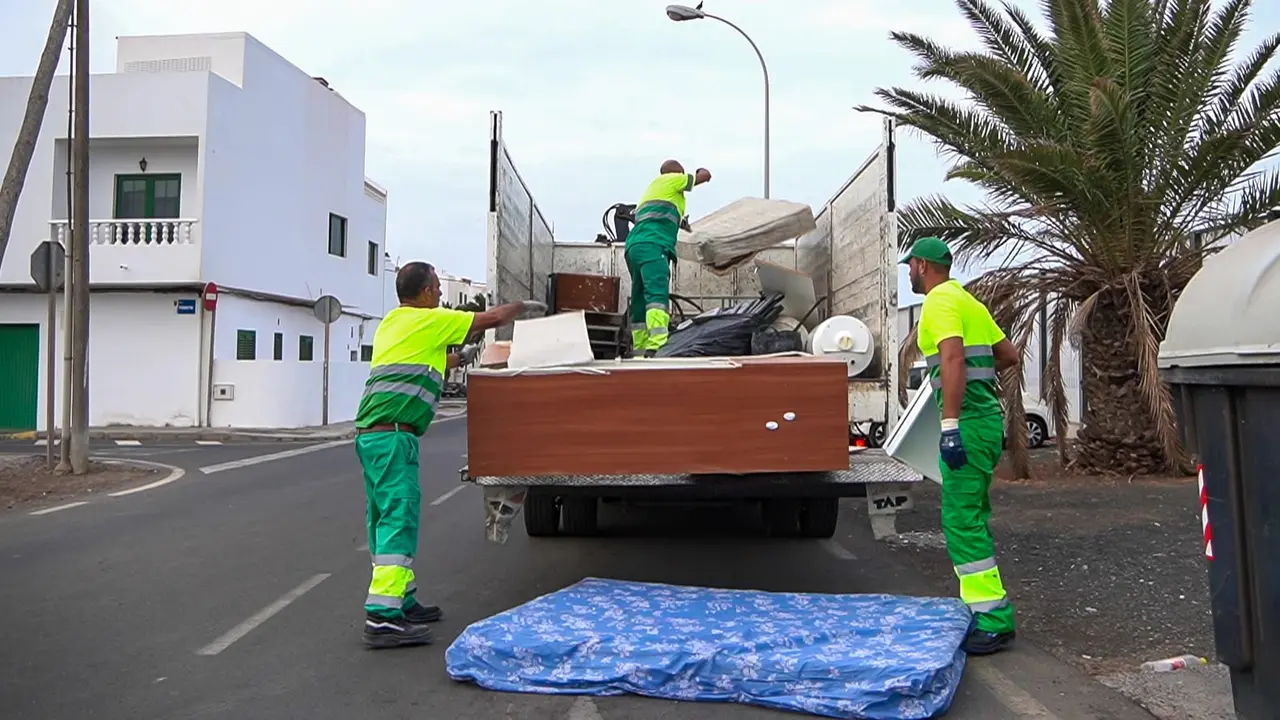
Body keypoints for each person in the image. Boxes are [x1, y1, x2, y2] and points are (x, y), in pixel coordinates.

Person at [354, 261, 546, 649]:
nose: (441, 294)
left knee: (382, 518)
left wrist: (463, 357)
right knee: (398, 517)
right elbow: (487, 318)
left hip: (373, 437)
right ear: (425, 292)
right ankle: (383, 618)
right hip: (393, 437)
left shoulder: (394, 324)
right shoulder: (429, 319)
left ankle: (401, 599)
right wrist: (523, 308)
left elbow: (435, 363)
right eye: (438, 288)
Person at [902, 236, 1021, 655]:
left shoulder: (937, 302)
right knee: (973, 514)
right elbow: (1009, 354)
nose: (909, 273)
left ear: (922, 265)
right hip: (987, 422)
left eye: (910, 266)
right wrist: (978, 373)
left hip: (968, 425)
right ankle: (984, 608)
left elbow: (951, 357)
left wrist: (949, 422)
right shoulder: (970, 302)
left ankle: (992, 619)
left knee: (961, 521)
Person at [624, 160, 711, 356]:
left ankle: (640, 349)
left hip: (633, 247)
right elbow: (705, 176)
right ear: (676, 173)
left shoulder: (653, 190)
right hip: (653, 246)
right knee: (656, 295)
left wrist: (683, 224)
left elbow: (663, 218)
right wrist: (699, 171)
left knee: (640, 297)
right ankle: (658, 345)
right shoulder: (672, 180)